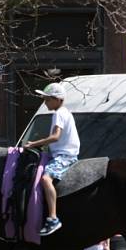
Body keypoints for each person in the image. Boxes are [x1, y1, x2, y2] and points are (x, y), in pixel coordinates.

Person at [23, 82, 80, 236]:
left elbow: (55, 137)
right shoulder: (65, 112)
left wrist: (33, 143)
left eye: (48, 100)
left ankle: (53, 218)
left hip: (64, 156)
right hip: (62, 153)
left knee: (46, 179)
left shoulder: (59, 113)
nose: (45, 102)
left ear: (58, 99)